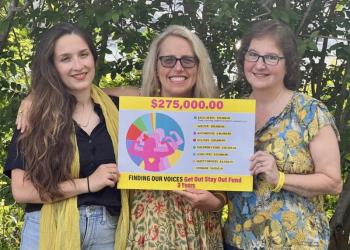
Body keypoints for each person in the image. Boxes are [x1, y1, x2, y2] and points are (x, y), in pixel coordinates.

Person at [15, 25, 226, 249]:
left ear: (198, 65)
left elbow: (225, 186)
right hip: (147, 227)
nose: (177, 67)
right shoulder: (135, 104)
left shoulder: (215, 115)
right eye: (168, 60)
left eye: (187, 60)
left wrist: (213, 201)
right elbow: (80, 88)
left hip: (198, 228)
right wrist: (34, 97)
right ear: (155, 66)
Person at [5, 22, 129, 250]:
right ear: (52, 66)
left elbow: (158, 91)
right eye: (66, 59)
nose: (78, 65)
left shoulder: (119, 110)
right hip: (47, 228)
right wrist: (89, 183)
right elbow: (21, 191)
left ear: (94, 58)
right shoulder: (35, 116)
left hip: (107, 232)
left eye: (84, 55)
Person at [223, 19, 342, 250]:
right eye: (253, 55)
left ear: (288, 64)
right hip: (237, 241)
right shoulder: (231, 114)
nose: (259, 65)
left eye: (271, 57)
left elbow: (333, 182)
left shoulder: (309, 111)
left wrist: (280, 179)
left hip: (297, 242)